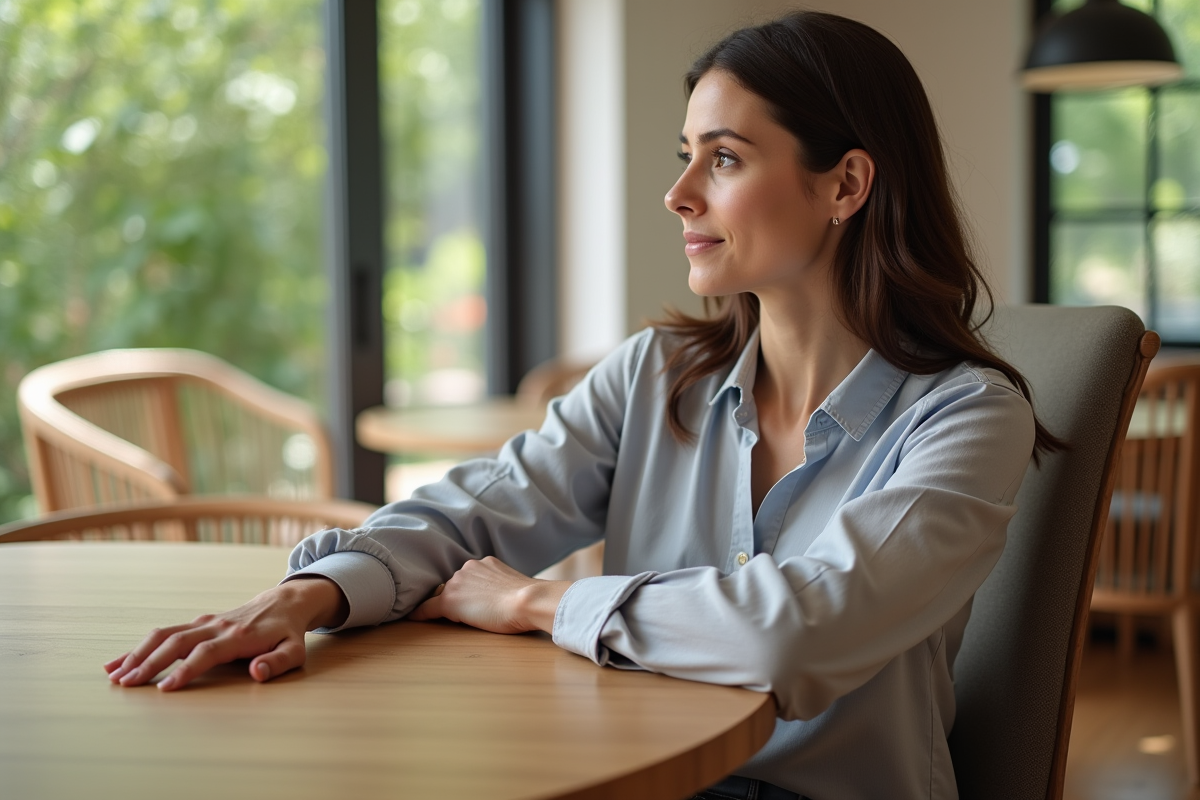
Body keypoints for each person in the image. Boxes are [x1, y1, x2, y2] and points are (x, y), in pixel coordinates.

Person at [104, 11, 1055, 800]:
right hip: (647, 778)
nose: (678, 194)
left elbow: (797, 630)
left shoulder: (965, 418)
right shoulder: (654, 377)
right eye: (686, 155)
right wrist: (304, 597)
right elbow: (477, 508)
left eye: (722, 159)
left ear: (845, 184)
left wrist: (533, 601)